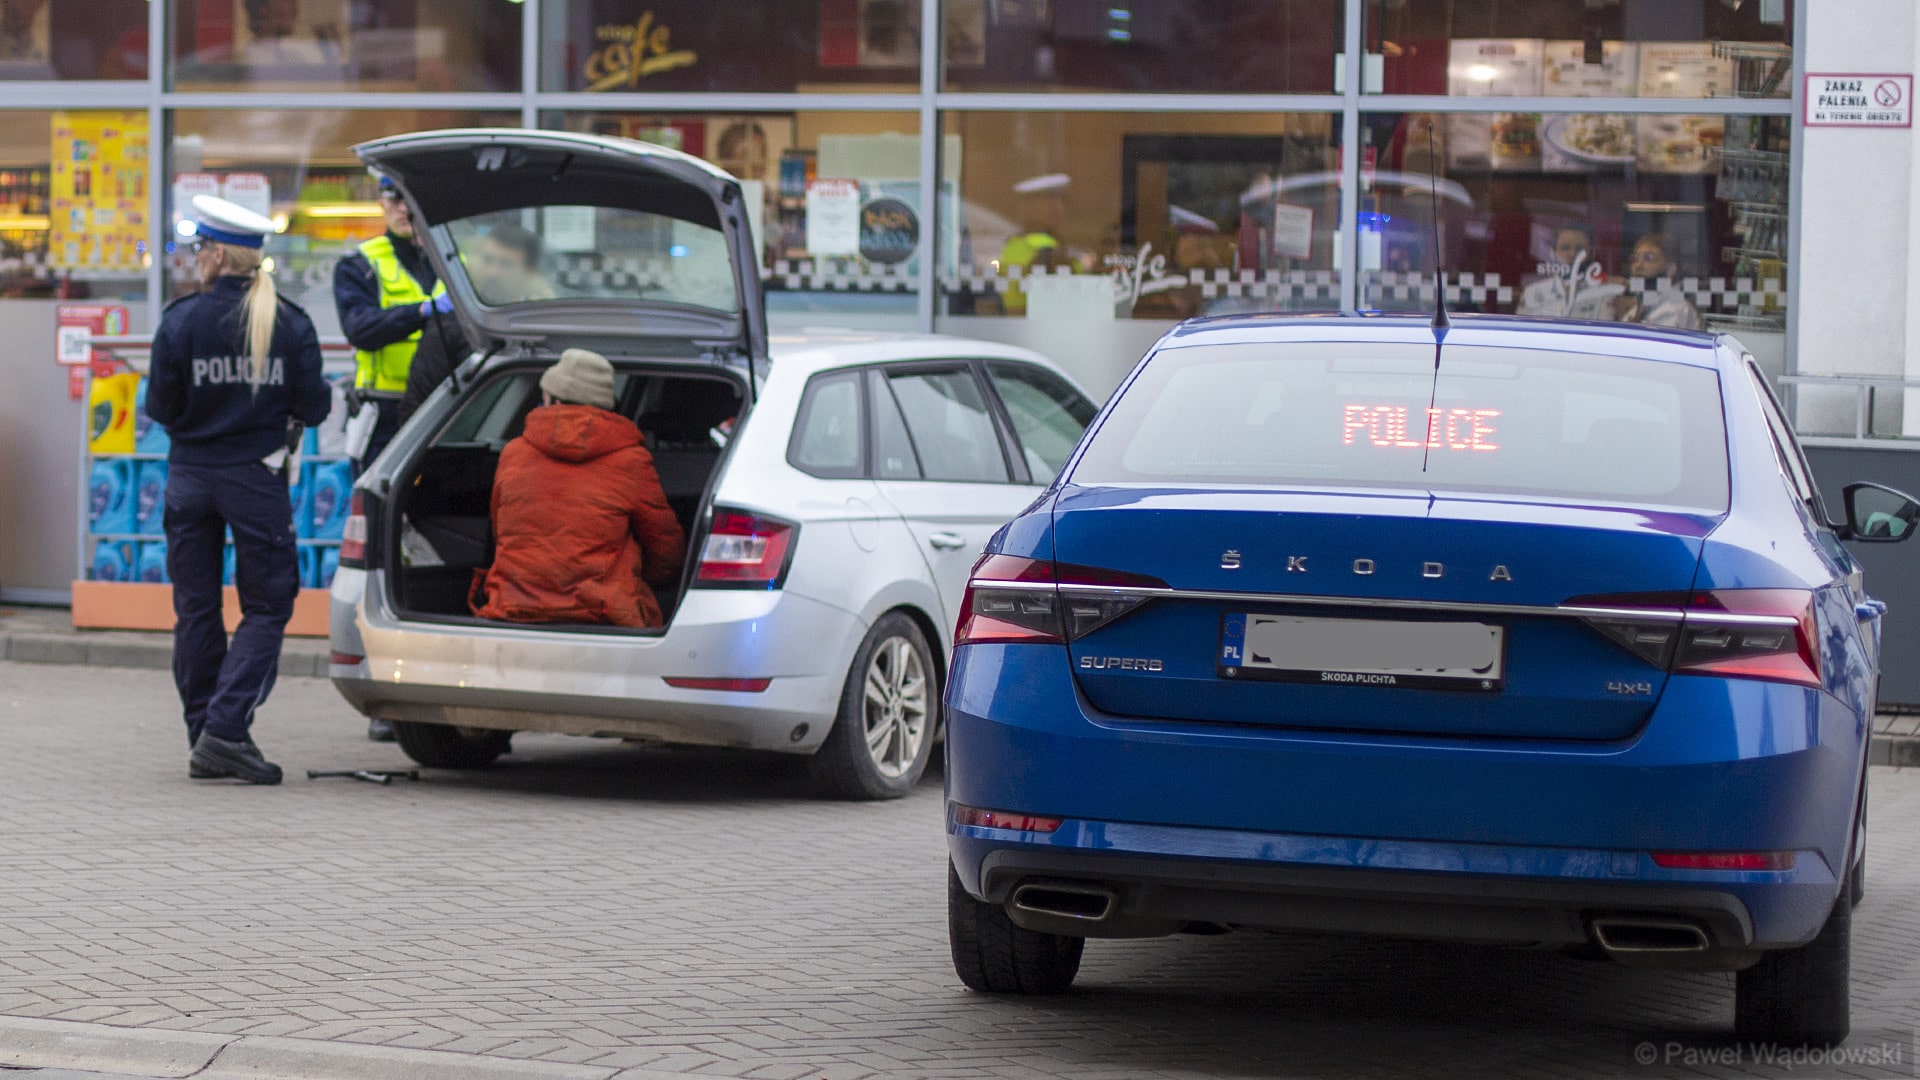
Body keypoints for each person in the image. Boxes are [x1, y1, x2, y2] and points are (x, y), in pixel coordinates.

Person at [145, 194, 331, 785]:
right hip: (256, 479)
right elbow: (314, 406)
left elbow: (160, 407)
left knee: (195, 609)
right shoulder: (292, 322)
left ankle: (205, 732)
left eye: (201, 248)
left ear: (219, 255)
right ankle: (225, 731)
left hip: (190, 478)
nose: (196, 257)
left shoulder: (179, 321)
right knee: (269, 604)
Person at [470, 349, 685, 629]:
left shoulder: (513, 453)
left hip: (513, 610)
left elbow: (502, 533)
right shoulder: (631, 460)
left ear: (554, 400)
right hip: (604, 614)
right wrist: (636, 581)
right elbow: (667, 549)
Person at [333, 173, 448, 472]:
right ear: (382, 204)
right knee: (378, 509)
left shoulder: (454, 262)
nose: (404, 209)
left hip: (447, 405)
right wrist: (422, 312)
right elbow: (360, 327)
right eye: (395, 200)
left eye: (411, 201)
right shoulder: (361, 264)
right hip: (383, 410)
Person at [399, 224, 542, 425]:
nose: (493, 272)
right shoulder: (449, 328)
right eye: (487, 260)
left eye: (506, 264)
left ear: (530, 272)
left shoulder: (544, 329)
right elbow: (415, 410)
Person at [1515, 221, 1622, 321]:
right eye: (1565, 248)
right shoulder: (1534, 292)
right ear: (1553, 252)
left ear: (1592, 253)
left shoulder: (1605, 292)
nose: (1573, 254)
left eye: (1580, 249)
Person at [1613, 233, 1703, 329]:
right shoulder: (1636, 306)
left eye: (1649, 259)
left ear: (1670, 269)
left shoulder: (1676, 308)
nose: (1638, 266)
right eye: (1635, 258)